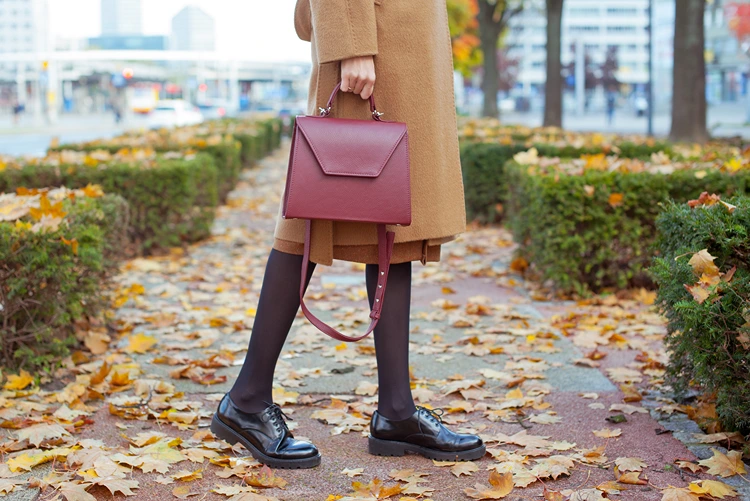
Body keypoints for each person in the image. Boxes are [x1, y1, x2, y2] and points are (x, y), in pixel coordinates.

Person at [211, 0, 483, 469]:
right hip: (375, 44)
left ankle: (396, 410)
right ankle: (248, 398)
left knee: (395, 220)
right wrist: (352, 43)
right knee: (313, 216)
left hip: (403, 42)